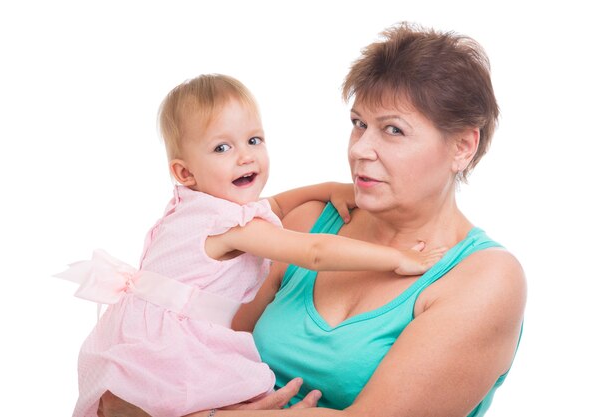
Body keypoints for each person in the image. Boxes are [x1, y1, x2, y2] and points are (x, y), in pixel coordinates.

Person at [99, 22, 527, 417]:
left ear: (463, 147)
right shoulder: (306, 224)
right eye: (359, 124)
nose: (360, 149)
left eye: (393, 130)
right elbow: (173, 372)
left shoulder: (485, 279)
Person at [58, 73, 447, 417]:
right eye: (221, 148)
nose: (245, 156)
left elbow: (274, 205)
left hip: (135, 337)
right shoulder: (230, 224)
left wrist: (328, 189)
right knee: (249, 391)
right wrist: (395, 257)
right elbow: (315, 252)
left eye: (253, 140)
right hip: (174, 351)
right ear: (184, 171)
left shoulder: (193, 205)